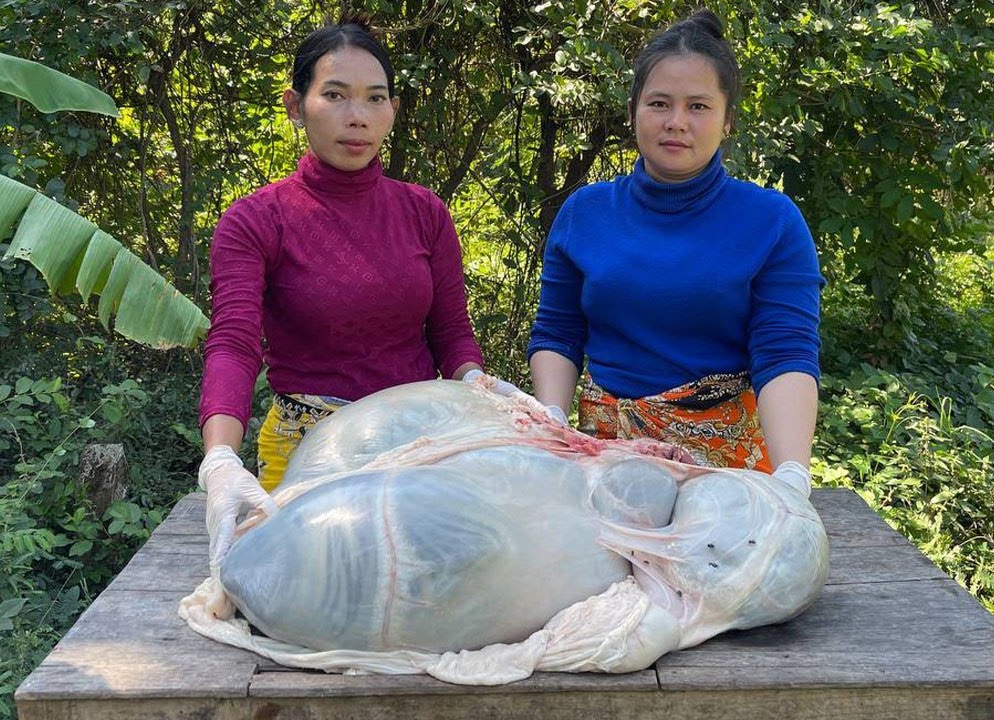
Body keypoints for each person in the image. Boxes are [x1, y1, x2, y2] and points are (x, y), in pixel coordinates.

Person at [196, 15, 489, 573]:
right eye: (334, 95)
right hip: (309, 456)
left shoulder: (423, 212)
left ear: (393, 110)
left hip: (418, 448)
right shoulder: (256, 220)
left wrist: (477, 382)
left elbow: (452, 333)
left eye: (375, 98)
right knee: (311, 593)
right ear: (295, 105)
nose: (357, 117)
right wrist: (221, 459)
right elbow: (234, 343)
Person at [527, 9, 824, 492]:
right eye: (659, 103)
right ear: (633, 111)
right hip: (600, 463)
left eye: (699, 106)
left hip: (723, 476)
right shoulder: (585, 212)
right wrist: (551, 420)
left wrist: (792, 474)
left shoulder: (772, 222)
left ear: (728, 120)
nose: (676, 122)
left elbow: (785, 354)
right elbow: (558, 334)